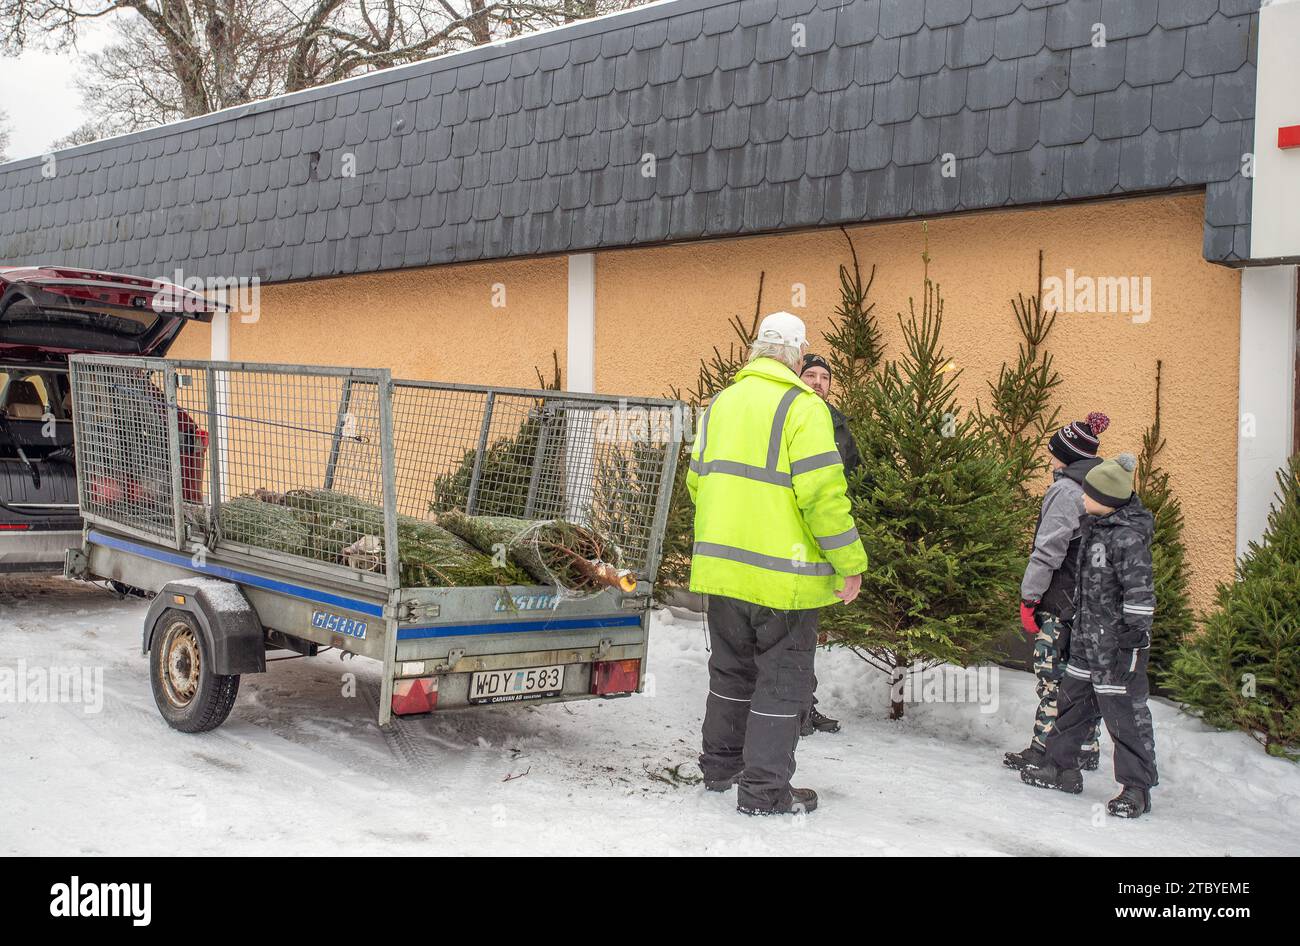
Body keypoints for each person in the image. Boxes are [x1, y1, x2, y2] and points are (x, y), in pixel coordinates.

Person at [688, 311, 867, 816]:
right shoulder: (804, 407)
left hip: (723, 572)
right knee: (781, 683)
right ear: (796, 355)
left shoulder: (720, 403)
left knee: (730, 673)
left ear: (756, 350)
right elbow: (824, 497)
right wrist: (849, 562)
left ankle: (721, 768)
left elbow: (696, 482)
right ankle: (765, 794)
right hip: (783, 580)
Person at [1021, 452, 1158, 819]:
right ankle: (1060, 767)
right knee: (1072, 703)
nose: (1081, 496)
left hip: (1117, 646)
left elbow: (1140, 593)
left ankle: (1136, 788)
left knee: (1123, 713)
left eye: (1089, 493)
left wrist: (1133, 635)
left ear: (1108, 499)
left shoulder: (1128, 539)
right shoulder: (1095, 527)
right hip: (1085, 637)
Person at [1004, 414, 1109, 772]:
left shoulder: (1065, 491)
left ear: (1067, 454)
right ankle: (1085, 746)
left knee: (1053, 674)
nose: (1049, 458)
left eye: (1054, 451)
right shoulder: (1103, 487)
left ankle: (1045, 748)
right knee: (1083, 674)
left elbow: (1048, 550)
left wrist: (1030, 597)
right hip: (1093, 604)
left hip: (1061, 600)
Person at [796, 352, 862, 736]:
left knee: (805, 631)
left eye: (824, 376)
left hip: (824, 540)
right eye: (811, 374)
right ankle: (792, 709)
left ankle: (804, 705)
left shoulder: (836, 423)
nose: (818, 381)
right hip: (791, 540)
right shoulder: (792, 416)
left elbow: (852, 478)